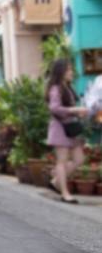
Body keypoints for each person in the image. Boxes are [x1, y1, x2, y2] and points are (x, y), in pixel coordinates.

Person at [46, 59, 89, 203]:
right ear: (61, 72)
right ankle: (65, 193)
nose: (71, 72)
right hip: (60, 129)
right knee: (62, 161)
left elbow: (66, 109)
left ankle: (56, 180)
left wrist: (78, 113)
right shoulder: (56, 88)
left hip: (70, 128)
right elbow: (54, 108)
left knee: (79, 160)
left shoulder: (67, 88)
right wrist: (76, 109)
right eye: (69, 69)